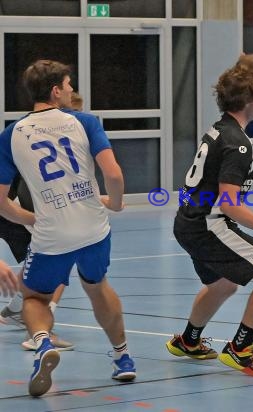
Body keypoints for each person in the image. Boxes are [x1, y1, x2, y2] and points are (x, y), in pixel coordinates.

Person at [0, 60, 136, 397]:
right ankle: (123, 358)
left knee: (34, 298)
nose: (72, 89)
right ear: (56, 90)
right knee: (98, 286)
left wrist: (30, 219)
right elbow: (114, 175)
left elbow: (2, 204)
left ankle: (43, 344)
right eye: (68, 84)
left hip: (51, 235)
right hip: (93, 229)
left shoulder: (10, 135)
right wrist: (116, 203)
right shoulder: (85, 122)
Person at [166, 54, 253, 377]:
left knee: (224, 283)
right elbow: (229, 204)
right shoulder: (239, 144)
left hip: (188, 222)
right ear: (247, 100)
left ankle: (188, 341)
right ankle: (241, 348)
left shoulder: (220, 129)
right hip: (206, 225)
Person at [1, 92, 85, 350]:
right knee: (57, 261)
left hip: (15, 209)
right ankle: (40, 330)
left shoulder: (26, 133)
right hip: (15, 209)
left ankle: (16, 310)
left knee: (40, 263)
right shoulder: (42, 142)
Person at [0, 175, 74, 351]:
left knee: (41, 258)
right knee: (60, 254)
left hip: (11, 204)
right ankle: (39, 331)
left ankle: (16, 311)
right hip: (12, 206)